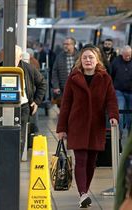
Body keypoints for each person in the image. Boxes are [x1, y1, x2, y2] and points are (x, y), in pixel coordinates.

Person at [56, 45, 119, 208]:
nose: (88, 60)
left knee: (92, 162)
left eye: (91, 57)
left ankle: (85, 190)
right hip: (77, 125)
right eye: (85, 58)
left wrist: (113, 116)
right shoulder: (73, 78)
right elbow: (66, 104)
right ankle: (83, 194)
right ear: (80, 60)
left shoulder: (105, 78)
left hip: (96, 126)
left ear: (97, 60)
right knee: (81, 160)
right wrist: (61, 128)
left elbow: (111, 100)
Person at [0, 46, 46, 156]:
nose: (10, 62)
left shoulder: (29, 69)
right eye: (7, 59)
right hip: (2, 106)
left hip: (22, 106)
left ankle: (16, 160)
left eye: (14, 59)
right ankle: (4, 159)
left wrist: (36, 101)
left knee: (20, 137)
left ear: (20, 57)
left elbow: (42, 83)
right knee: (3, 135)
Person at [111, 45, 132, 137]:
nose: (127, 57)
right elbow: (111, 74)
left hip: (131, 91)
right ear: (121, 54)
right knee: (119, 110)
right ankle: (118, 133)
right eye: (126, 55)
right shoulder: (116, 61)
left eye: (129, 55)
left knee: (130, 114)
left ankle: (129, 132)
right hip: (119, 90)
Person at [51, 37, 78, 108]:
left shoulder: (80, 56)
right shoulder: (59, 57)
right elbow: (55, 72)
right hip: (64, 88)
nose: (65, 46)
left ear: (73, 45)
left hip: (77, 87)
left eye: (68, 44)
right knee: (64, 108)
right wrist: (56, 86)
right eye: (64, 44)